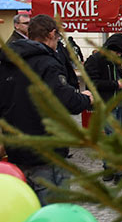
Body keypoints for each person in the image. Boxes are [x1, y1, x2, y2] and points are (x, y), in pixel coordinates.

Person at [0, 15, 93, 203]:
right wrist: (86, 99)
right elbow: (66, 101)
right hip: (47, 149)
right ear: (51, 34)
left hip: (17, 148)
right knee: (54, 213)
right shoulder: (46, 63)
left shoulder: (6, 62)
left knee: (28, 209)